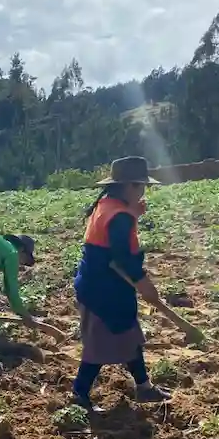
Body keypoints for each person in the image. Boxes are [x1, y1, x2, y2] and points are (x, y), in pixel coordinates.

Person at [72, 156, 171, 411]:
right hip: (102, 291)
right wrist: (144, 284)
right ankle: (79, 395)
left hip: (104, 285)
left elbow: (114, 240)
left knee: (129, 337)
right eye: (141, 186)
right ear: (130, 186)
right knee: (99, 345)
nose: (143, 192)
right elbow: (123, 258)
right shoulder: (119, 216)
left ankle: (144, 387)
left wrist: (132, 213)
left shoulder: (107, 206)